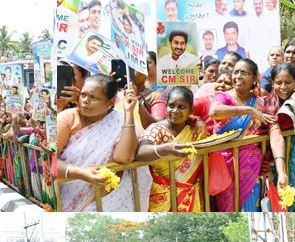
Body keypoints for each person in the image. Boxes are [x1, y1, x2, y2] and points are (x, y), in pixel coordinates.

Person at [57, 75, 157, 212]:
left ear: (110, 102)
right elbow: (49, 159)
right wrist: (80, 173)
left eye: (94, 98)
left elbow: (124, 158)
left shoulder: (119, 118)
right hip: (71, 201)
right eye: (83, 95)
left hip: (115, 202)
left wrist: (129, 113)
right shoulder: (67, 118)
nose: (85, 101)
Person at [209, 59, 275, 211]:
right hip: (225, 166)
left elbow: (268, 134)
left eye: (244, 73)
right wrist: (247, 111)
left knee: (251, 209)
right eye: (235, 72)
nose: (238, 76)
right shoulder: (223, 97)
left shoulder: (261, 103)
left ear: (255, 78)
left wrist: (268, 166)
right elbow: (213, 112)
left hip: (252, 167)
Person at [137, 87, 204, 211]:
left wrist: (197, 120)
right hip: (161, 196)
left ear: (191, 110)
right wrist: (167, 148)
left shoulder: (194, 128)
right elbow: (141, 152)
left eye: (182, 107)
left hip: (189, 196)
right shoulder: (157, 129)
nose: (175, 111)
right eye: (171, 106)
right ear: (166, 106)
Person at [259, 63, 295, 211]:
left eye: (288, 83)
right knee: (279, 195)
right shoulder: (266, 104)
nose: (283, 87)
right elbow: (276, 136)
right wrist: (279, 171)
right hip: (275, 156)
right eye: (278, 83)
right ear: (272, 82)